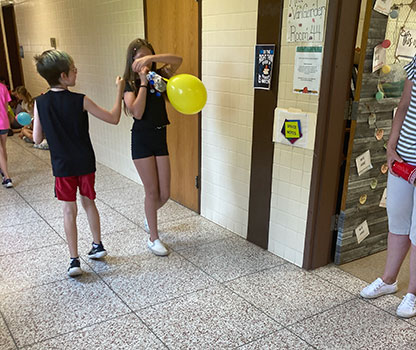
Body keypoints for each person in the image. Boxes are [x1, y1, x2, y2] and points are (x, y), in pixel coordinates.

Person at [33, 49, 125, 276]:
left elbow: (36, 138)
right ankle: (97, 245)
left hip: (62, 166)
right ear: (64, 76)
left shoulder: (40, 102)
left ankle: (74, 260)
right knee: (89, 202)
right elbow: (113, 118)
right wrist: (120, 91)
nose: (76, 72)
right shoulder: (81, 100)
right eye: (73, 69)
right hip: (85, 162)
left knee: (68, 210)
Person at [360, 55, 416, 318]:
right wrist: (391, 146)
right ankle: (389, 280)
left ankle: (413, 294)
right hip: (403, 160)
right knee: (398, 220)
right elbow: (404, 105)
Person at [123, 38, 182, 256]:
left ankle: (150, 217)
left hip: (160, 135)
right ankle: (153, 238)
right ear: (131, 61)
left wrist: (152, 59)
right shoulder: (129, 85)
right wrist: (143, 82)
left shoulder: (160, 77)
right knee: (151, 191)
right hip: (141, 139)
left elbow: (178, 60)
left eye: (147, 58)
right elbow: (137, 112)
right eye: (139, 59)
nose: (144, 63)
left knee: (165, 193)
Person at [0, 81, 12, 188]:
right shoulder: (3, 87)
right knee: (3, 148)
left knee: (0, 150)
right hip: (4, 122)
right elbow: (6, 105)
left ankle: (7, 177)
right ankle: (4, 172)